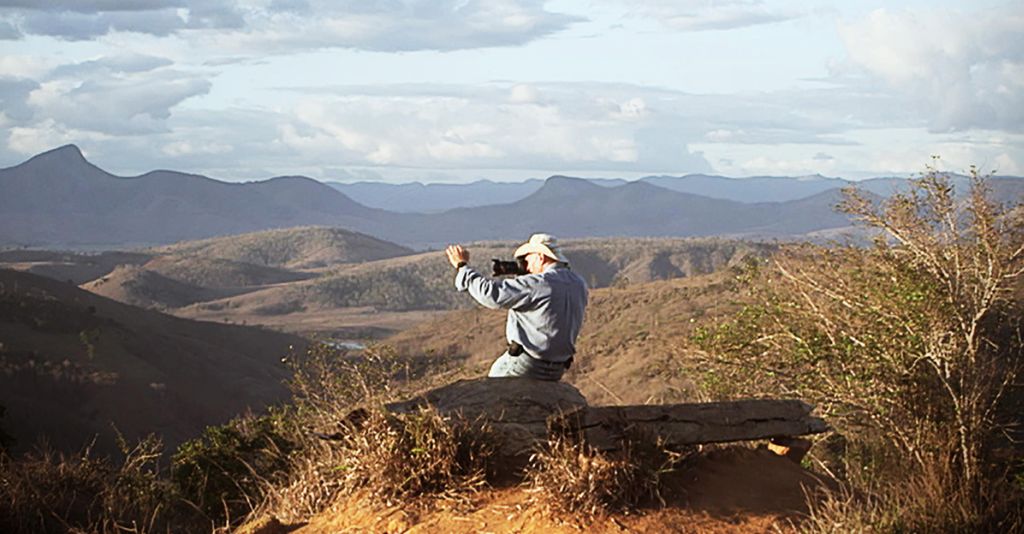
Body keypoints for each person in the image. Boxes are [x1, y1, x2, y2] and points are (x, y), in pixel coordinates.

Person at [445, 233, 588, 381]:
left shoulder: (539, 283)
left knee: (490, 388)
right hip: (558, 368)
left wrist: (462, 267)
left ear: (540, 257)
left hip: (527, 364)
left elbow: (490, 294)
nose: (525, 263)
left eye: (527, 258)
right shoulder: (578, 283)